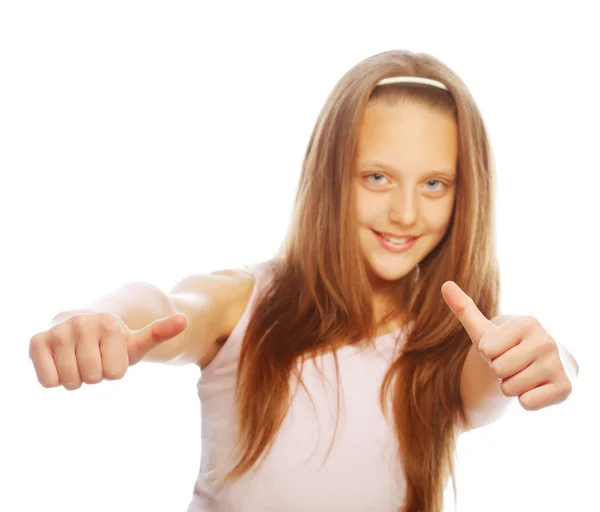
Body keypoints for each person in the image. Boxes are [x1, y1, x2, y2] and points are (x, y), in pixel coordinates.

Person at [28, 49, 579, 512]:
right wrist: (99, 320)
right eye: (377, 177)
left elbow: (499, 371)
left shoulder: (450, 348)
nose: (406, 213)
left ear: (466, 195)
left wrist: (544, 356)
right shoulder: (243, 301)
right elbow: (168, 306)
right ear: (330, 176)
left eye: (435, 183)